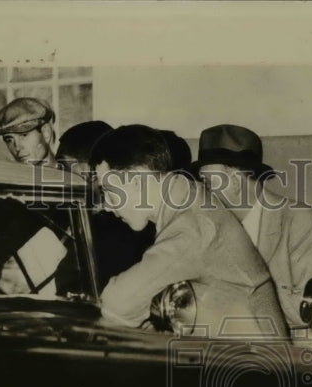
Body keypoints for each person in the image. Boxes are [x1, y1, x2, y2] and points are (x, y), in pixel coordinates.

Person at [90, 125, 286, 338]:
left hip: (256, 365)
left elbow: (119, 302)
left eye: (108, 191)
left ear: (137, 180)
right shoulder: (190, 199)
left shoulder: (192, 227)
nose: (107, 205)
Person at [194, 123, 312, 349]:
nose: (203, 193)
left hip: (308, 358)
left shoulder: (298, 220)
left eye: (207, 183)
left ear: (235, 180)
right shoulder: (208, 225)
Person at [56, 120, 154, 290]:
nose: (63, 179)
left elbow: (69, 283)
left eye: (66, 169)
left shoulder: (113, 227)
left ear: (94, 169)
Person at [0, 97, 58, 166]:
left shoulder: (67, 174)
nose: (17, 148)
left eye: (24, 135)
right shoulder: (10, 176)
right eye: (9, 140)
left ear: (46, 133)